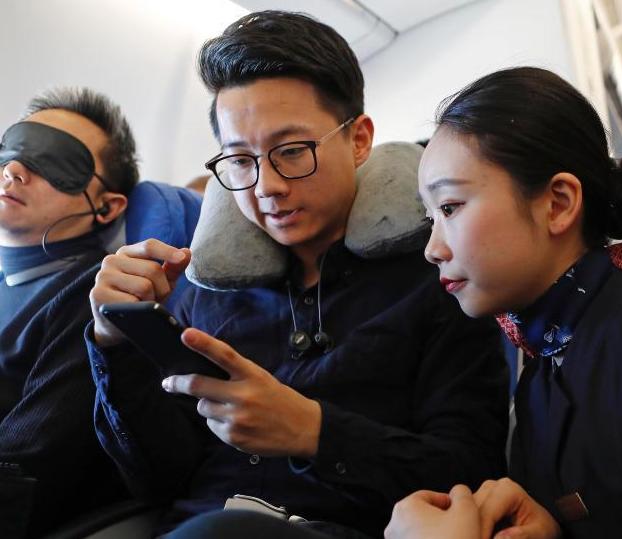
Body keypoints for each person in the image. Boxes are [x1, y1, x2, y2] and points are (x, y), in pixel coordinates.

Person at [87, 11, 509, 539]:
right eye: (240, 161)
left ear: (359, 140)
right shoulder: (202, 292)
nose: (267, 186)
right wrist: (116, 345)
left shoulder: (440, 278)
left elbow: (471, 472)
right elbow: (158, 480)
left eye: (291, 152)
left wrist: (315, 433)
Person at [384, 67, 622, 538]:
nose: (432, 249)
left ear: (558, 204)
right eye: (431, 218)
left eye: (450, 208)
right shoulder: (543, 369)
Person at [0, 88, 138, 538]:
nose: (14, 170)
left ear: (107, 206)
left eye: (52, 160)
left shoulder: (91, 295)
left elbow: (25, 467)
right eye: (13, 148)